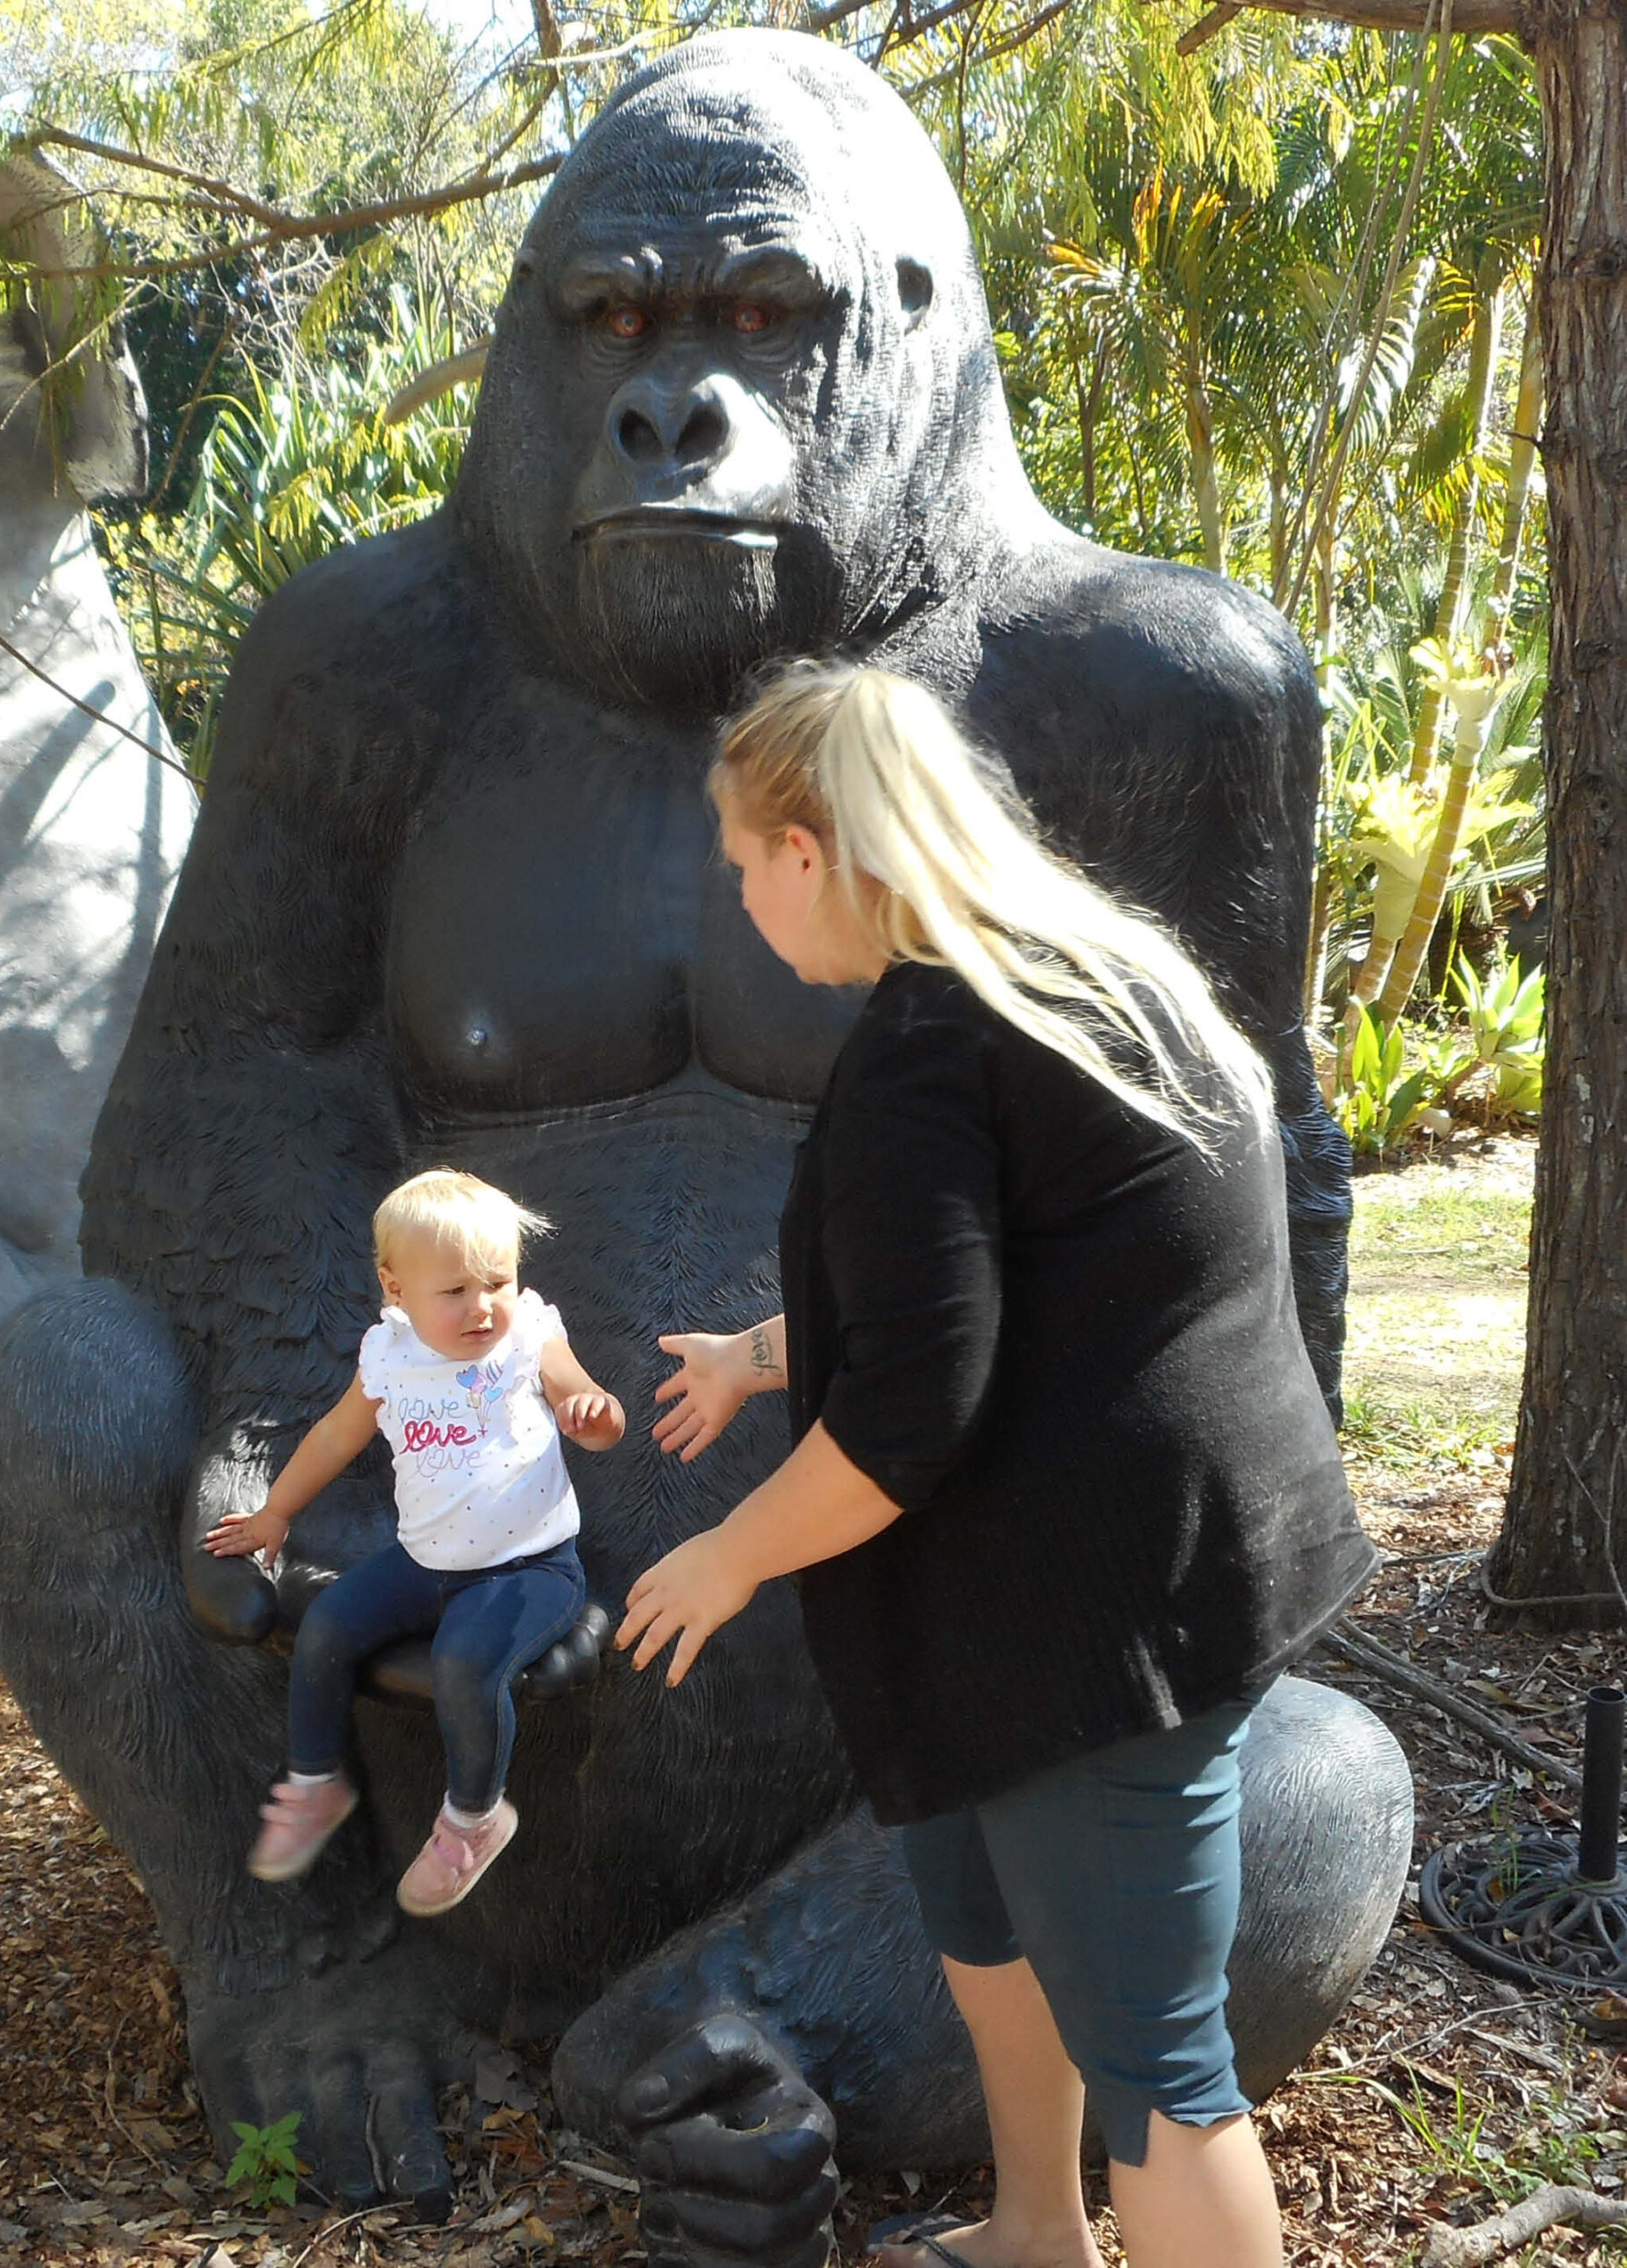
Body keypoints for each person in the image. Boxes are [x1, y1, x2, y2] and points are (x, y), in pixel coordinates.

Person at [617, 664, 1375, 2268]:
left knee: (1164, 2075)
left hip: (1103, 1629)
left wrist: (727, 1555)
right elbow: (1003, 1279)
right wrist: (763, 1354)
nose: (744, 897)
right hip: (1114, 1576)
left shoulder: (934, 1042)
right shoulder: (1080, 974)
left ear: (810, 849)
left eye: (745, 862)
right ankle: (1038, 2232)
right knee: (976, 1910)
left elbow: (908, 1415)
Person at [206, 1169, 627, 1916]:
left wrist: (594, 1417)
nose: (482, 1306)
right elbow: (335, 1437)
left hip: (529, 1570)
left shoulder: (528, 1336)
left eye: (496, 1281)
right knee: (327, 1625)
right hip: (425, 1561)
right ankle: (314, 1782)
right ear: (395, 1290)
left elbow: (587, 1404)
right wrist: (276, 1514)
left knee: (464, 1663)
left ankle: (473, 1820)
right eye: (455, 1290)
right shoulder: (390, 1356)